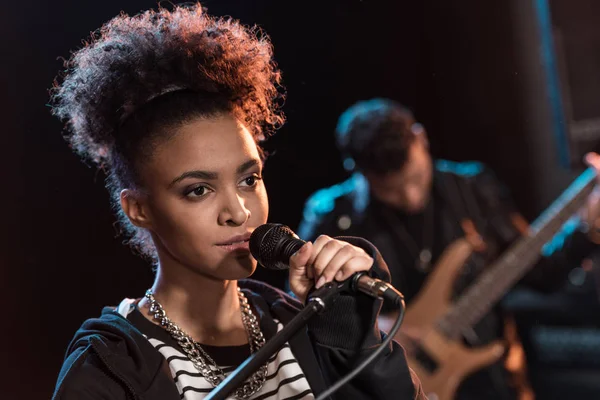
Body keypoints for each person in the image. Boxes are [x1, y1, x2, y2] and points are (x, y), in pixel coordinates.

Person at [49, 6, 424, 400]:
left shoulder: (308, 325)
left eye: (249, 180)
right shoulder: (108, 368)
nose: (239, 212)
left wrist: (353, 338)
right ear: (138, 209)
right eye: (198, 190)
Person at [298, 98, 600, 399]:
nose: (410, 196)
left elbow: (541, 274)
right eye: (391, 189)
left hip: (492, 383)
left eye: (415, 178)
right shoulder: (333, 217)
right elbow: (301, 309)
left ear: (421, 138)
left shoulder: (473, 189)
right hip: (392, 385)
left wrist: (588, 231)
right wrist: (373, 325)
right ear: (360, 173)